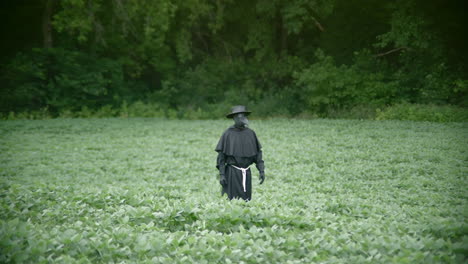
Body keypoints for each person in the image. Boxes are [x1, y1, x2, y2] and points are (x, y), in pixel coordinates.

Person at [215, 105, 265, 201]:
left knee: (246, 201)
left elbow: (258, 155)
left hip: (246, 173)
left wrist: (261, 170)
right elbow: (221, 157)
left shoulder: (250, 133)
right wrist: (222, 174)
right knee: (232, 200)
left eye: (244, 116)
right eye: (239, 117)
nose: (243, 119)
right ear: (234, 118)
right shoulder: (228, 134)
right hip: (232, 173)